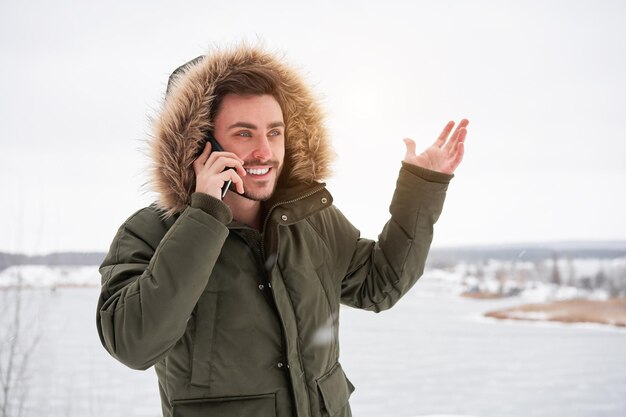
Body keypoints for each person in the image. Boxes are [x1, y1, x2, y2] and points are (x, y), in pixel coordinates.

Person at [96, 45, 468, 417]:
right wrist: (206, 214)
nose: (265, 151)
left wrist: (423, 186)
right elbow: (134, 344)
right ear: (199, 144)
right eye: (244, 134)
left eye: (274, 133)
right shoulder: (148, 233)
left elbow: (380, 285)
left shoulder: (308, 218)